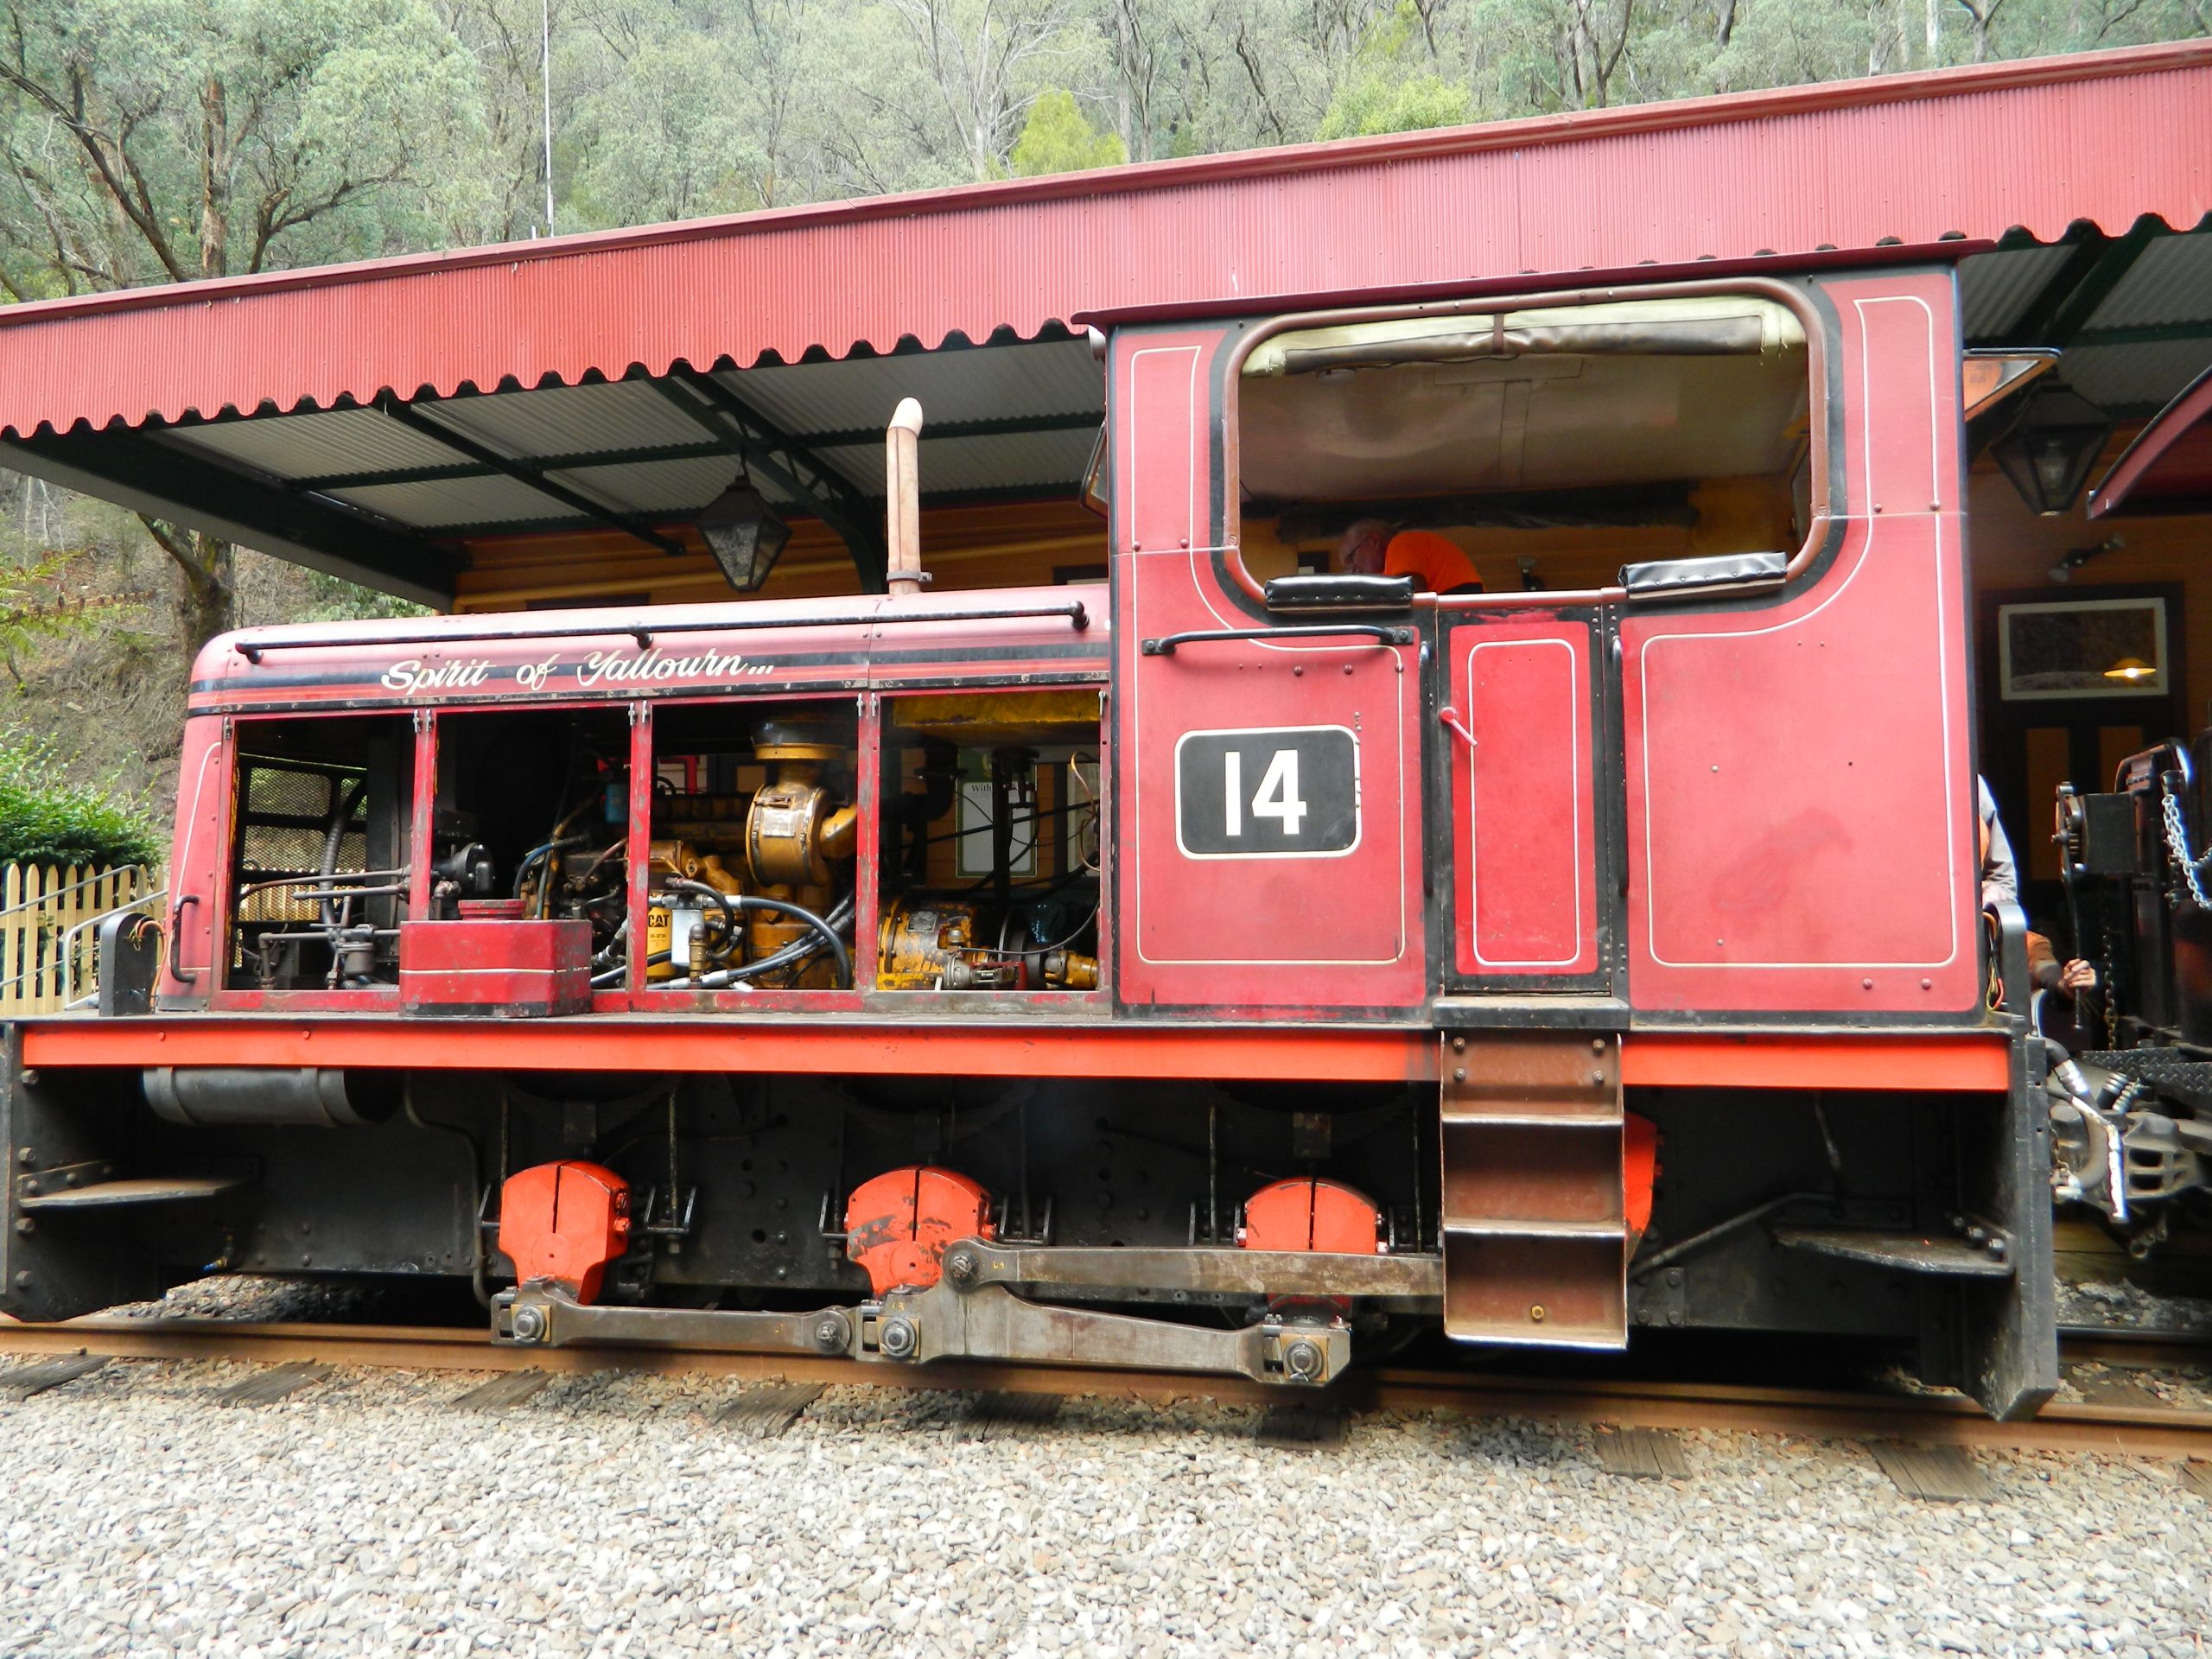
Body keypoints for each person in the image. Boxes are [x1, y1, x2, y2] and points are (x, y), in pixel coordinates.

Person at [1338, 518, 1484, 595]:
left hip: (1461, 618)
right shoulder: (1390, 568)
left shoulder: (1402, 543)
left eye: (1351, 558)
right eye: (1346, 568)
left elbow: (1407, 594)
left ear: (1373, 541)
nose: (1352, 570)